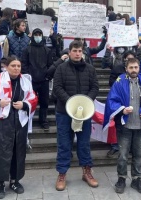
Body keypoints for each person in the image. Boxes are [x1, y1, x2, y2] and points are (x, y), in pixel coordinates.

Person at [0, 56, 38, 199]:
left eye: (18, 66)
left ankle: (14, 181)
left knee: (18, 151)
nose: (17, 68)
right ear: (6, 66)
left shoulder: (25, 81)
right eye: (13, 65)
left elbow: (33, 98)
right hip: (1, 121)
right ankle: (0, 183)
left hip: (19, 121)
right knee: (0, 151)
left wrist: (25, 105)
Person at [104, 58, 141, 194]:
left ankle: (137, 179)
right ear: (126, 68)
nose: (134, 70)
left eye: (136, 67)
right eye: (131, 68)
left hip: (139, 126)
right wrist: (121, 110)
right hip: (125, 126)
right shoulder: (119, 82)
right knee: (123, 155)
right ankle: (121, 178)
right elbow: (111, 99)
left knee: (138, 155)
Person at [53, 40, 99, 191]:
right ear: (69, 52)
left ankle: (87, 172)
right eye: (75, 51)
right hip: (64, 113)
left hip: (84, 113)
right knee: (64, 144)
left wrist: (84, 102)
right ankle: (62, 174)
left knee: (84, 143)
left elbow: (95, 87)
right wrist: (72, 103)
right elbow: (57, 88)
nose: (78, 54)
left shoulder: (90, 69)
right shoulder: (61, 68)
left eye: (80, 51)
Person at [106, 50, 137, 157]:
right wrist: (120, 83)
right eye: (128, 59)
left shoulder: (136, 72)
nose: (130, 62)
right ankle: (115, 146)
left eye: (132, 59)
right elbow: (111, 81)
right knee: (118, 126)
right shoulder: (117, 68)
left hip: (132, 103)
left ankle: (131, 148)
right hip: (120, 102)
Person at [21, 28, 53, 131]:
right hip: (31, 81)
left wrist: (48, 76)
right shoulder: (27, 50)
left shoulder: (47, 50)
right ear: (33, 36)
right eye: (36, 34)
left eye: (40, 34)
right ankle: (27, 119)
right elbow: (24, 64)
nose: (38, 36)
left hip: (44, 80)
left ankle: (43, 120)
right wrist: (28, 76)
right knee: (30, 101)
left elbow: (50, 65)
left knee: (44, 102)